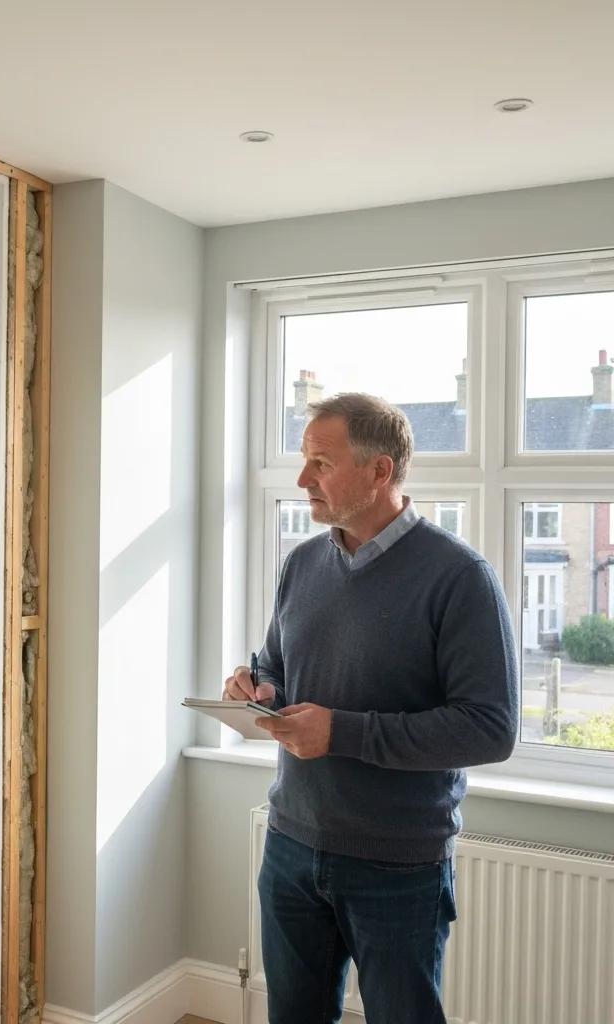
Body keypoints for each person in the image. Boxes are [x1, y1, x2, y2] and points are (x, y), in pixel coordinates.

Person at [222, 394, 517, 1024]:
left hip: (398, 862)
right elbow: (277, 662)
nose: (303, 479)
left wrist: (342, 733)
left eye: (320, 464)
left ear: (380, 471)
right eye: (305, 462)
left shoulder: (460, 577)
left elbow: (490, 728)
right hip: (290, 847)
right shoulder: (301, 563)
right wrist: (261, 689)